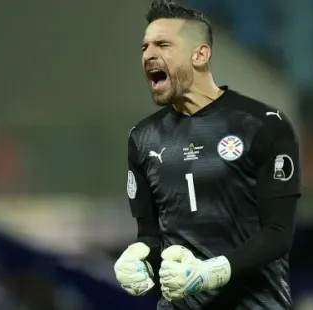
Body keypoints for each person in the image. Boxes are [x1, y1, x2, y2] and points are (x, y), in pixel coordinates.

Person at [113, 1, 301, 309]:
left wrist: (211, 272)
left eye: (162, 44)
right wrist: (137, 260)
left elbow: (278, 234)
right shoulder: (142, 138)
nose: (148, 54)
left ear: (200, 54)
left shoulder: (263, 124)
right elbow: (150, 237)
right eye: (144, 46)